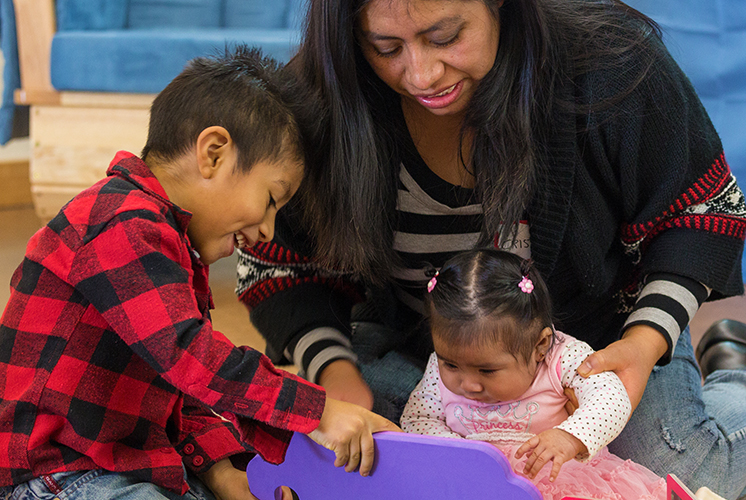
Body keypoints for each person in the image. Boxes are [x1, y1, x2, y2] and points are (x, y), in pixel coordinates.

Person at [236, 0, 746, 497]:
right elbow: (273, 264)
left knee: (684, 472)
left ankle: (732, 370)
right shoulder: (320, 94)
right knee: (376, 461)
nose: (421, 74)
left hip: (603, 342)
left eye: (445, 37)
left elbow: (702, 213)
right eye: (386, 47)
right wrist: (335, 372)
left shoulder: (609, 61)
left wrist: (643, 344)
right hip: (417, 346)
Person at [0, 46, 398, 500]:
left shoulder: (171, 245)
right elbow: (190, 355)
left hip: (127, 465)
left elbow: (181, 388)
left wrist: (222, 472)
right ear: (213, 153)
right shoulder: (120, 221)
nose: (267, 229)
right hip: (54, 475)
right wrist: (319, 411)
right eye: (271, 199)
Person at [401, 248, 666, 499]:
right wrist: (457, 452)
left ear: (539, 346)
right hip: (474, 482)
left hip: (557, 477)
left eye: (487, 370)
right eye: (451, 365)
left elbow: (611, 396)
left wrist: (571, 436)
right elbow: (417, 417)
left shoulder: (561, 357)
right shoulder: (439, 367)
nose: (469, 384)